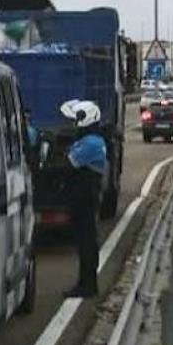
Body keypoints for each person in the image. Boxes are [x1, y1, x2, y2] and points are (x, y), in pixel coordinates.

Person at [64, 101, 107, 298]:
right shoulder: (94, 140)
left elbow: (71, 160)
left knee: (86, 243)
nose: (74, 124)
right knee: (86, 241)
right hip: (86, 196)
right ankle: (86, 283)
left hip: (86, 197)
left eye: (77, 119)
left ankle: (87, 285)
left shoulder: (91, 143)